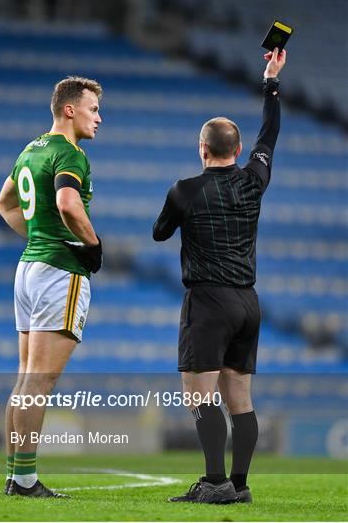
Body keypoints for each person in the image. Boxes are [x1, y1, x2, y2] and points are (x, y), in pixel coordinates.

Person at [153, 48, 286, 504]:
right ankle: (241, 485)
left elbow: (159, 233)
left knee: (199, 395)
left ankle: (214, 484)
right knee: (240, 399)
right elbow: (269, 135)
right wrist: (271, 82)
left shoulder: (184, 190)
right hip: (249, 301)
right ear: (237, 149)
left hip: (208, 301)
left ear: (203, 149)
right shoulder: (255, 180)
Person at [0, 76, 103, 497]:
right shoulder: (69, 153)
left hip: (28, 269)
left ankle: (14, 475)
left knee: (24, 377)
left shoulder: (31, 149)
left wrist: (38, 235)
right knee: (38, 381)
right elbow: (67, 202)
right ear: (70, 109)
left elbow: (4, 203)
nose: (99, 117)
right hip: (58, 270)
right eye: (93, 109)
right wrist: (91, 245)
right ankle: (24, 481)